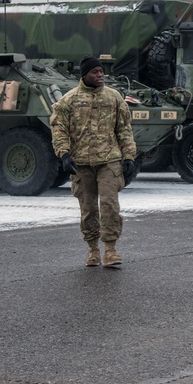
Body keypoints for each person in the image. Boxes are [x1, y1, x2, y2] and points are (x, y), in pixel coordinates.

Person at [51, 56, 137, 267]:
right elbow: (59, 128)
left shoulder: (114, 97)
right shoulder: (69, 100)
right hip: (81, 163)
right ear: (84, 75)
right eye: (95, 72)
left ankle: (110, 250)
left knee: (109, 205)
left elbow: (124, 129)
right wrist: (64, 154)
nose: (100, 75)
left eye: (101, 71)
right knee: (88, 208)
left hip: (109, 160)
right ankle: (92, 250)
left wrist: (128, 156)